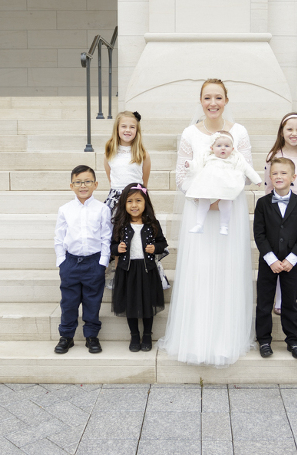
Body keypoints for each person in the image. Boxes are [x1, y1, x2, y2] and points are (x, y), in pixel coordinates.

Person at [157, 78, 255, 367]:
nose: (213, 103)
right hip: (199, 210)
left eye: (218, 98)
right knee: (200, 271)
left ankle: (226, 340)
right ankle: (197, 340)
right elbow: (181, 176)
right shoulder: (190, 133)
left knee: (227, 270)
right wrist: (205, 200)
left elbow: (246, 172)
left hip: (228, 210)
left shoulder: (239, 132)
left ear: (226, 100)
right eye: (207, 98)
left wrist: (220, 199)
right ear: (200, 101)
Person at [103, 111, 169, 289]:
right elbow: (111, 178)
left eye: (132, 127)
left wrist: (138, 200)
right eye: (123, 126)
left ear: (137, 130)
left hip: (136, 198)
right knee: (118, 238)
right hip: (117, 200)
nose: (127, 130)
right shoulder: (109, 151)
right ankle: (119, 277)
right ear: (117, 128)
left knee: (138, 237)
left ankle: (142, 274)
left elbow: (144, 182)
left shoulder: (142, 153)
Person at [253, 157, 297, 359]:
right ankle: (264, 340)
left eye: (283, 173)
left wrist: (292, 259)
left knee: (289, 300)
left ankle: (293, 340)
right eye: (275, 173)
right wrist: (270, 259)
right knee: (264, 301)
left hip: (290, 263)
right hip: (268, 261)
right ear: (270, 177)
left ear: (293, 177)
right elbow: (259, 234)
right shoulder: (262, 203)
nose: (279, 176)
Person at [53, 165, 112, 354]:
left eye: (87, 181)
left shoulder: (102, 209)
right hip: (70, 263)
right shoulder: (65, 209)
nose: (83, 186)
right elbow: (59, 237)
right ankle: (67, 336)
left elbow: (106, 237)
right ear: (71, 186)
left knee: (92, 301)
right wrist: (62, 260)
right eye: (78, 182)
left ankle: (91, 336)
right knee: (68, 302)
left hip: (93, 262)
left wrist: (102, 262)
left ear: (95, 184)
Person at [264, 113, 297, 316]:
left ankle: (290, 300)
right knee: (278, 253)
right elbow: (268, 186)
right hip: (278, 213)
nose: (294, 133)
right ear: (282, 132)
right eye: (289, 129)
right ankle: (278, 300)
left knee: (295, 255)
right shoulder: (273, 156)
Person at [110, 183, 167, 352]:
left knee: (147, 304)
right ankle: (134, 335)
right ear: (124, 204)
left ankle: (147, 335)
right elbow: (111, 246)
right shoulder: (120, 224)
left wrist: (155, 248)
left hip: (147, 270)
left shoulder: (152, 223)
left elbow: (162, 243)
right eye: (129, 201)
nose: (134, 205)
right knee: (130, 304)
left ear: (145, 203)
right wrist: (117, 249)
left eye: (138, 200)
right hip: (127, 271)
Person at [185, 130, 262, 235]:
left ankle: (224, 225)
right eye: (219, 145)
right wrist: (189, 164)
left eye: (227, 146)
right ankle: (199, 224)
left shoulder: (235, 158)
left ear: (233, 149)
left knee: (226, 203)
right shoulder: (208, 156)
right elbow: (197, 163)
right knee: (203, 201)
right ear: (212, 148)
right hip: (208, 184)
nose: (223, 148)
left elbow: (247, 168)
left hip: (226, 186)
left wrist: (256, 179)